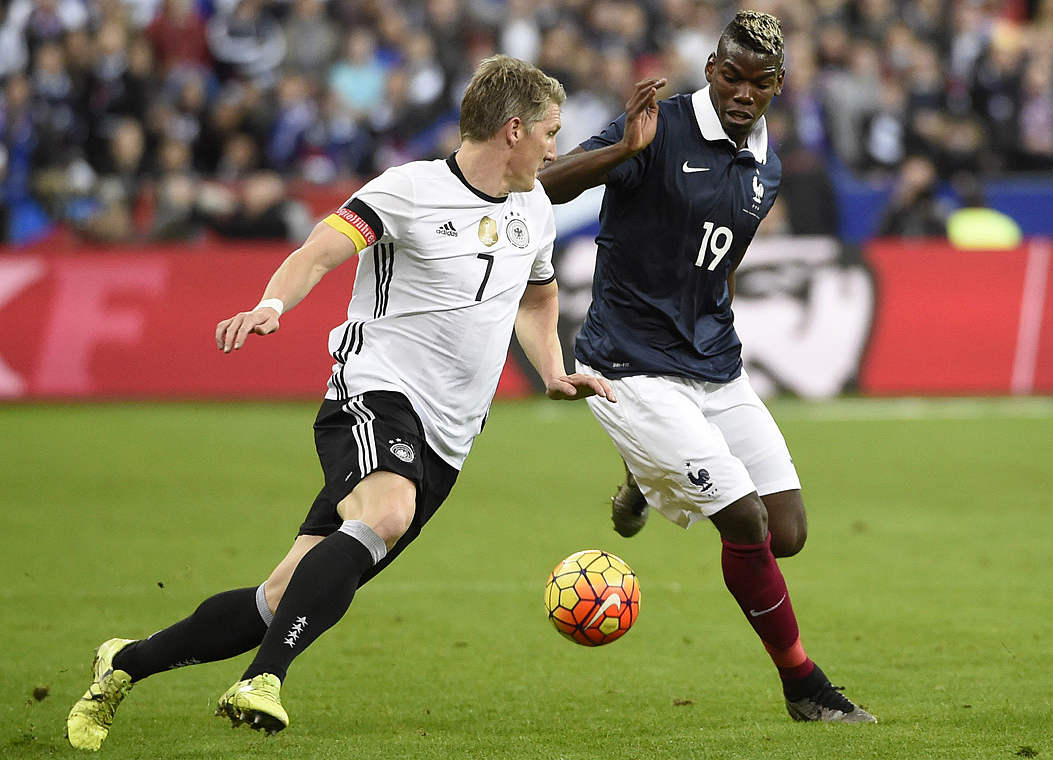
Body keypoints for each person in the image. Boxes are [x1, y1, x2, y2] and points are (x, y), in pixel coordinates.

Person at [65, 55, 613, 751]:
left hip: (449, 438)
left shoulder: (533, 210)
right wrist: (272, 303)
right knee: (387, 512)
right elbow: (320, 250)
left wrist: (552, 368)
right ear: (513, 130)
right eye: (551, 132)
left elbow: (538, 298)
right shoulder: (408, 190)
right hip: (374, 391)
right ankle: (264, 681)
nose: (555, 147)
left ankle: (123, 663)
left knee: (278, 598)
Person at [537, 11, 875, 724]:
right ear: (711, 69)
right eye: (732, 76)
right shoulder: (657, 125)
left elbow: (716, 268)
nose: (743, 93)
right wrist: (620, 151)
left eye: (761, 83)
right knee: (745, 521)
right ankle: (803, 685)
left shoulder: (768, 165)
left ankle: (644, 474)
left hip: (714, 366)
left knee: (788, 533)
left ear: (778, 86)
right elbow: (547, 185)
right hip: (627, 366)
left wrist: (709, 333)